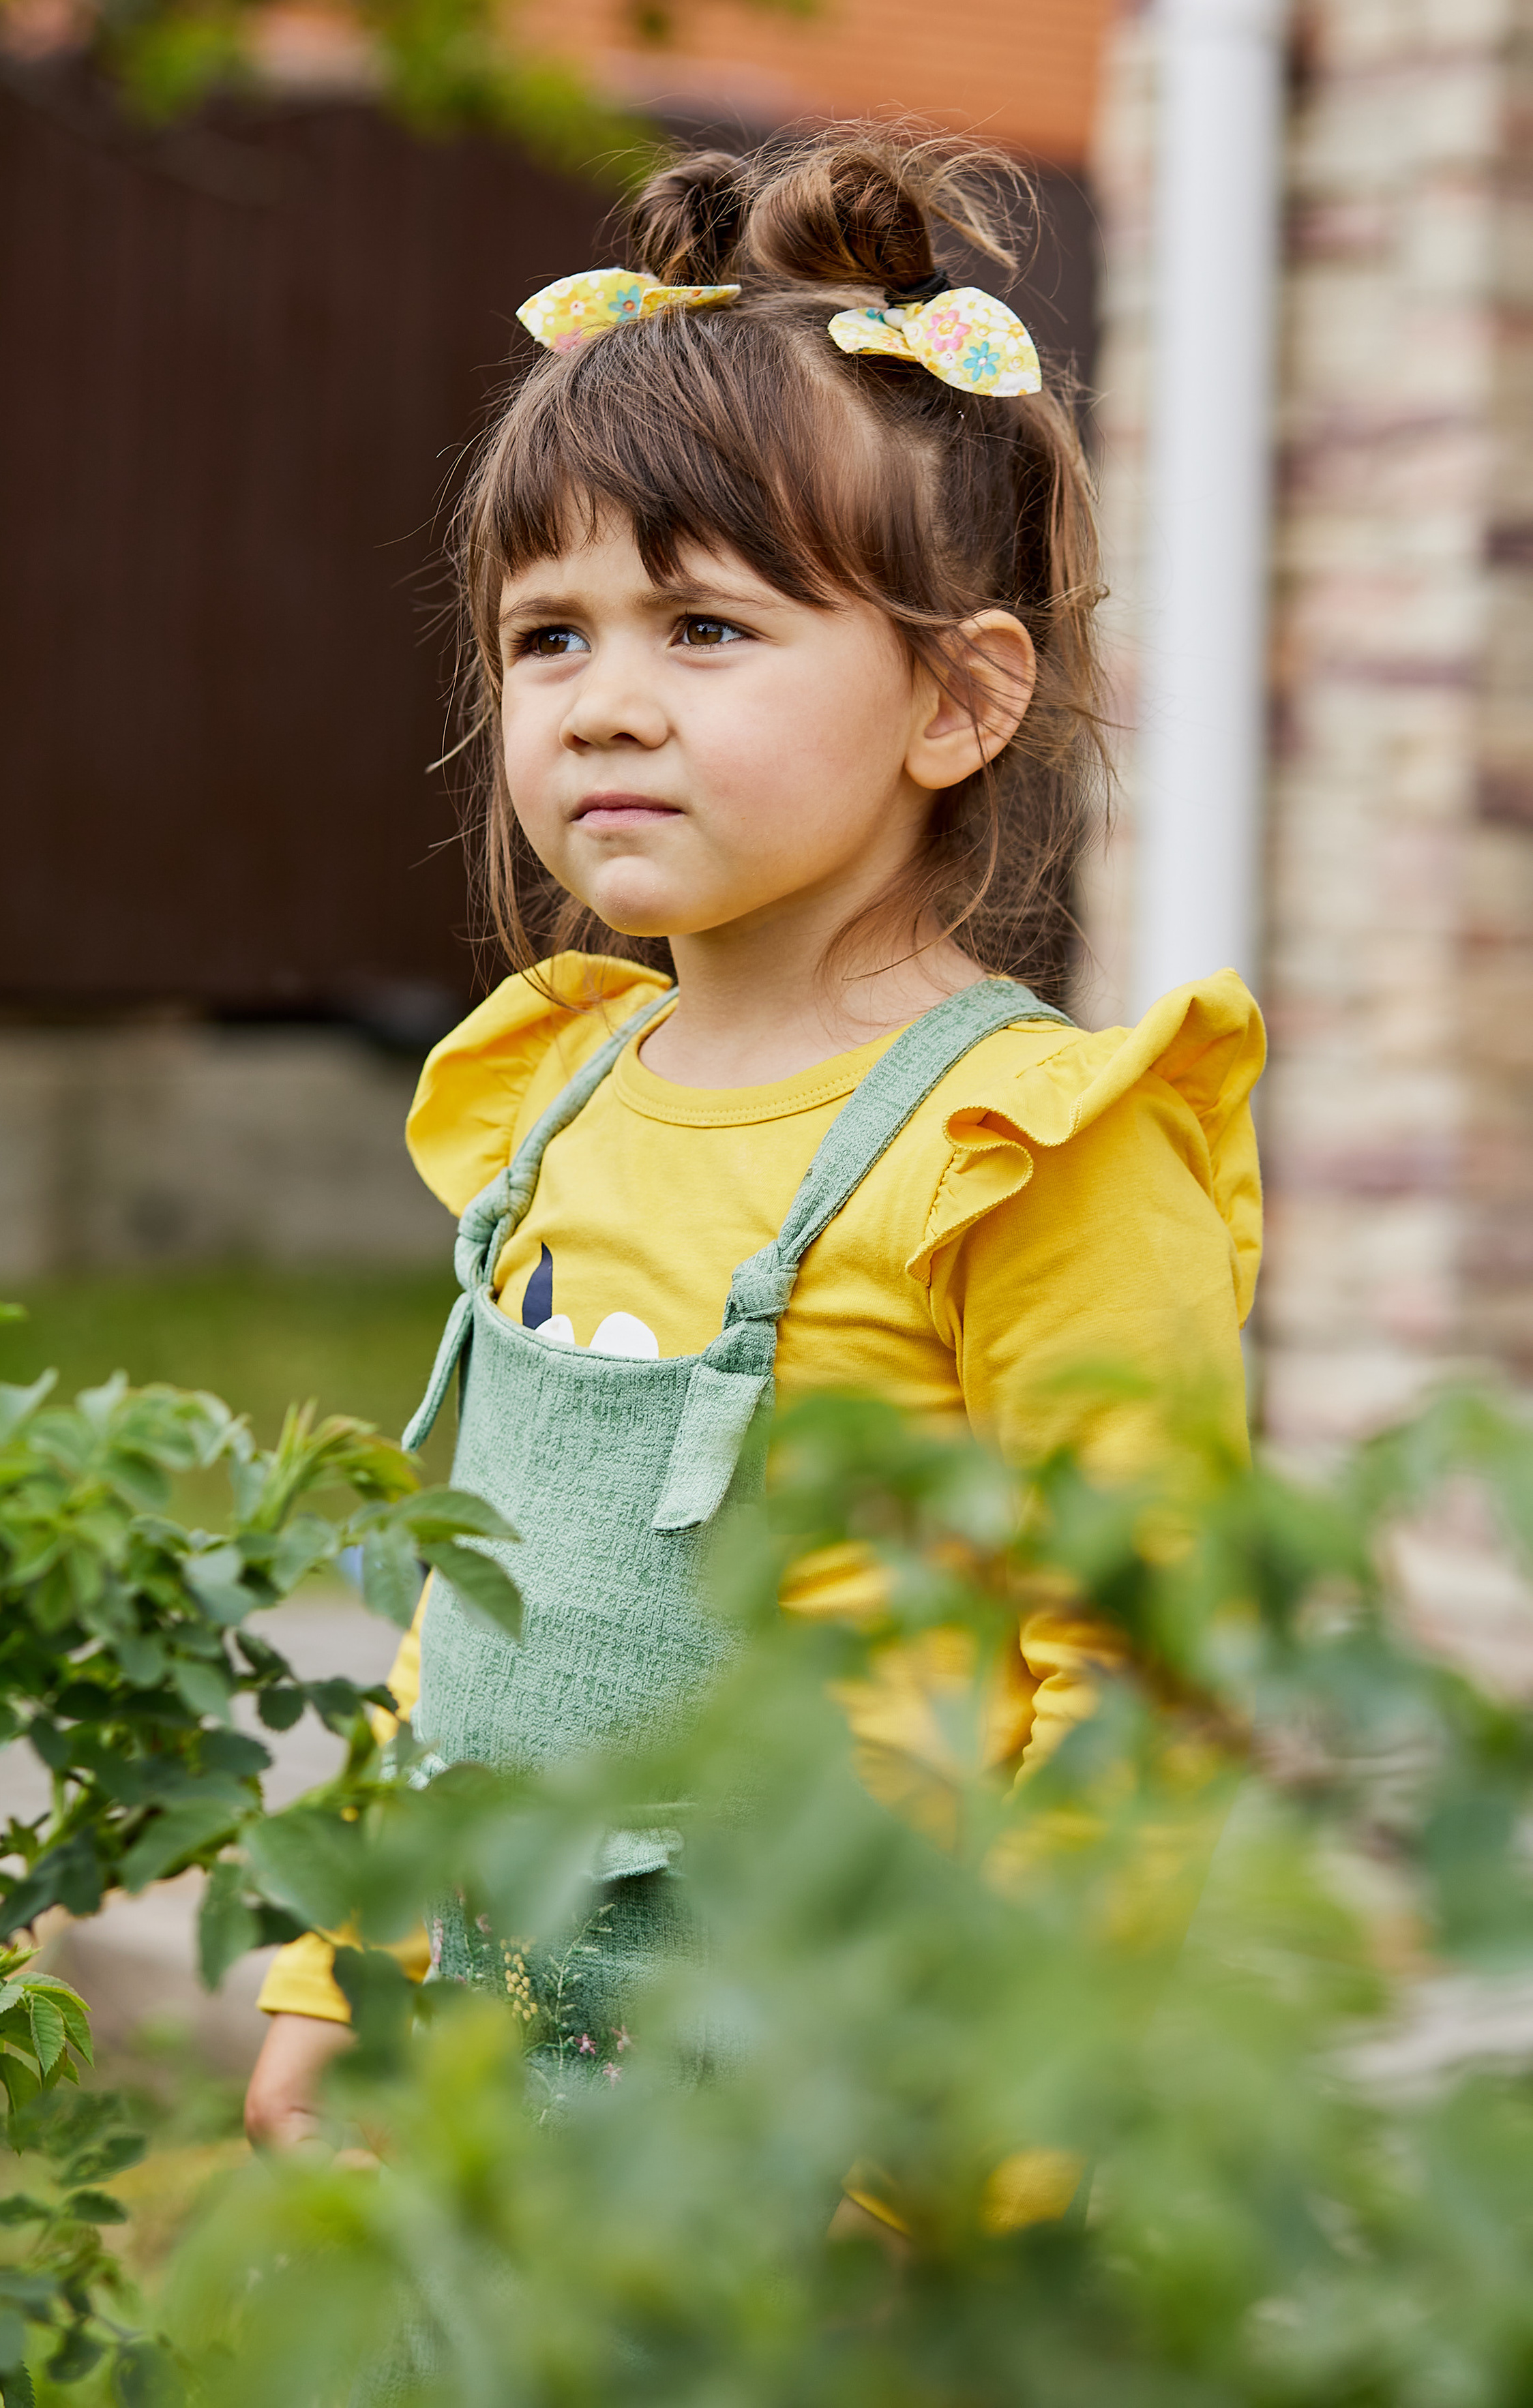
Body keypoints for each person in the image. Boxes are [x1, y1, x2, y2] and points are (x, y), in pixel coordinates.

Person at [243, 127, 1264, 2163]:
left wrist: (969, 2160)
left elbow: (1138, 1683)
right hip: (493, 2076)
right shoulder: (567, 1094)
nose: (605, 704)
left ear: (961, 698)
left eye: (703, 629)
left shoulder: (1022, 1148)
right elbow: (481, 1596)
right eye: (552, 635)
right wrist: (329, 1959)